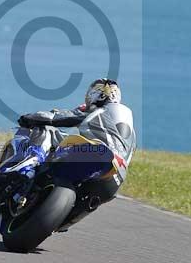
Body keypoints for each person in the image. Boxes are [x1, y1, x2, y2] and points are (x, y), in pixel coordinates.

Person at [15, 78, 136, 229]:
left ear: (97, 93)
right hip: (114, 179)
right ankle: (61, 221)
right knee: (79, 208)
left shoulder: (99, 109)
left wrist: (30, 118)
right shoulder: (129, 130)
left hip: (95, 152)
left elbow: (59, 117)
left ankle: (27, 166)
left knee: (48, 130)